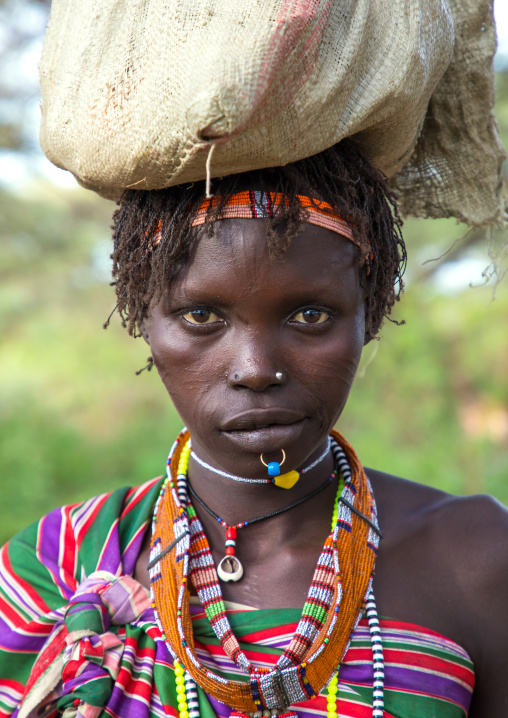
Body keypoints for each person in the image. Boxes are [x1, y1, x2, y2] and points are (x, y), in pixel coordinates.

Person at [1, 140, 507, 718]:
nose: (256, 369)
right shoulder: (54, 570)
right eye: (201, 316)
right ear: (145, 319)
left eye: (309, 315)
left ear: (370, 314)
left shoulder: (479, 560)